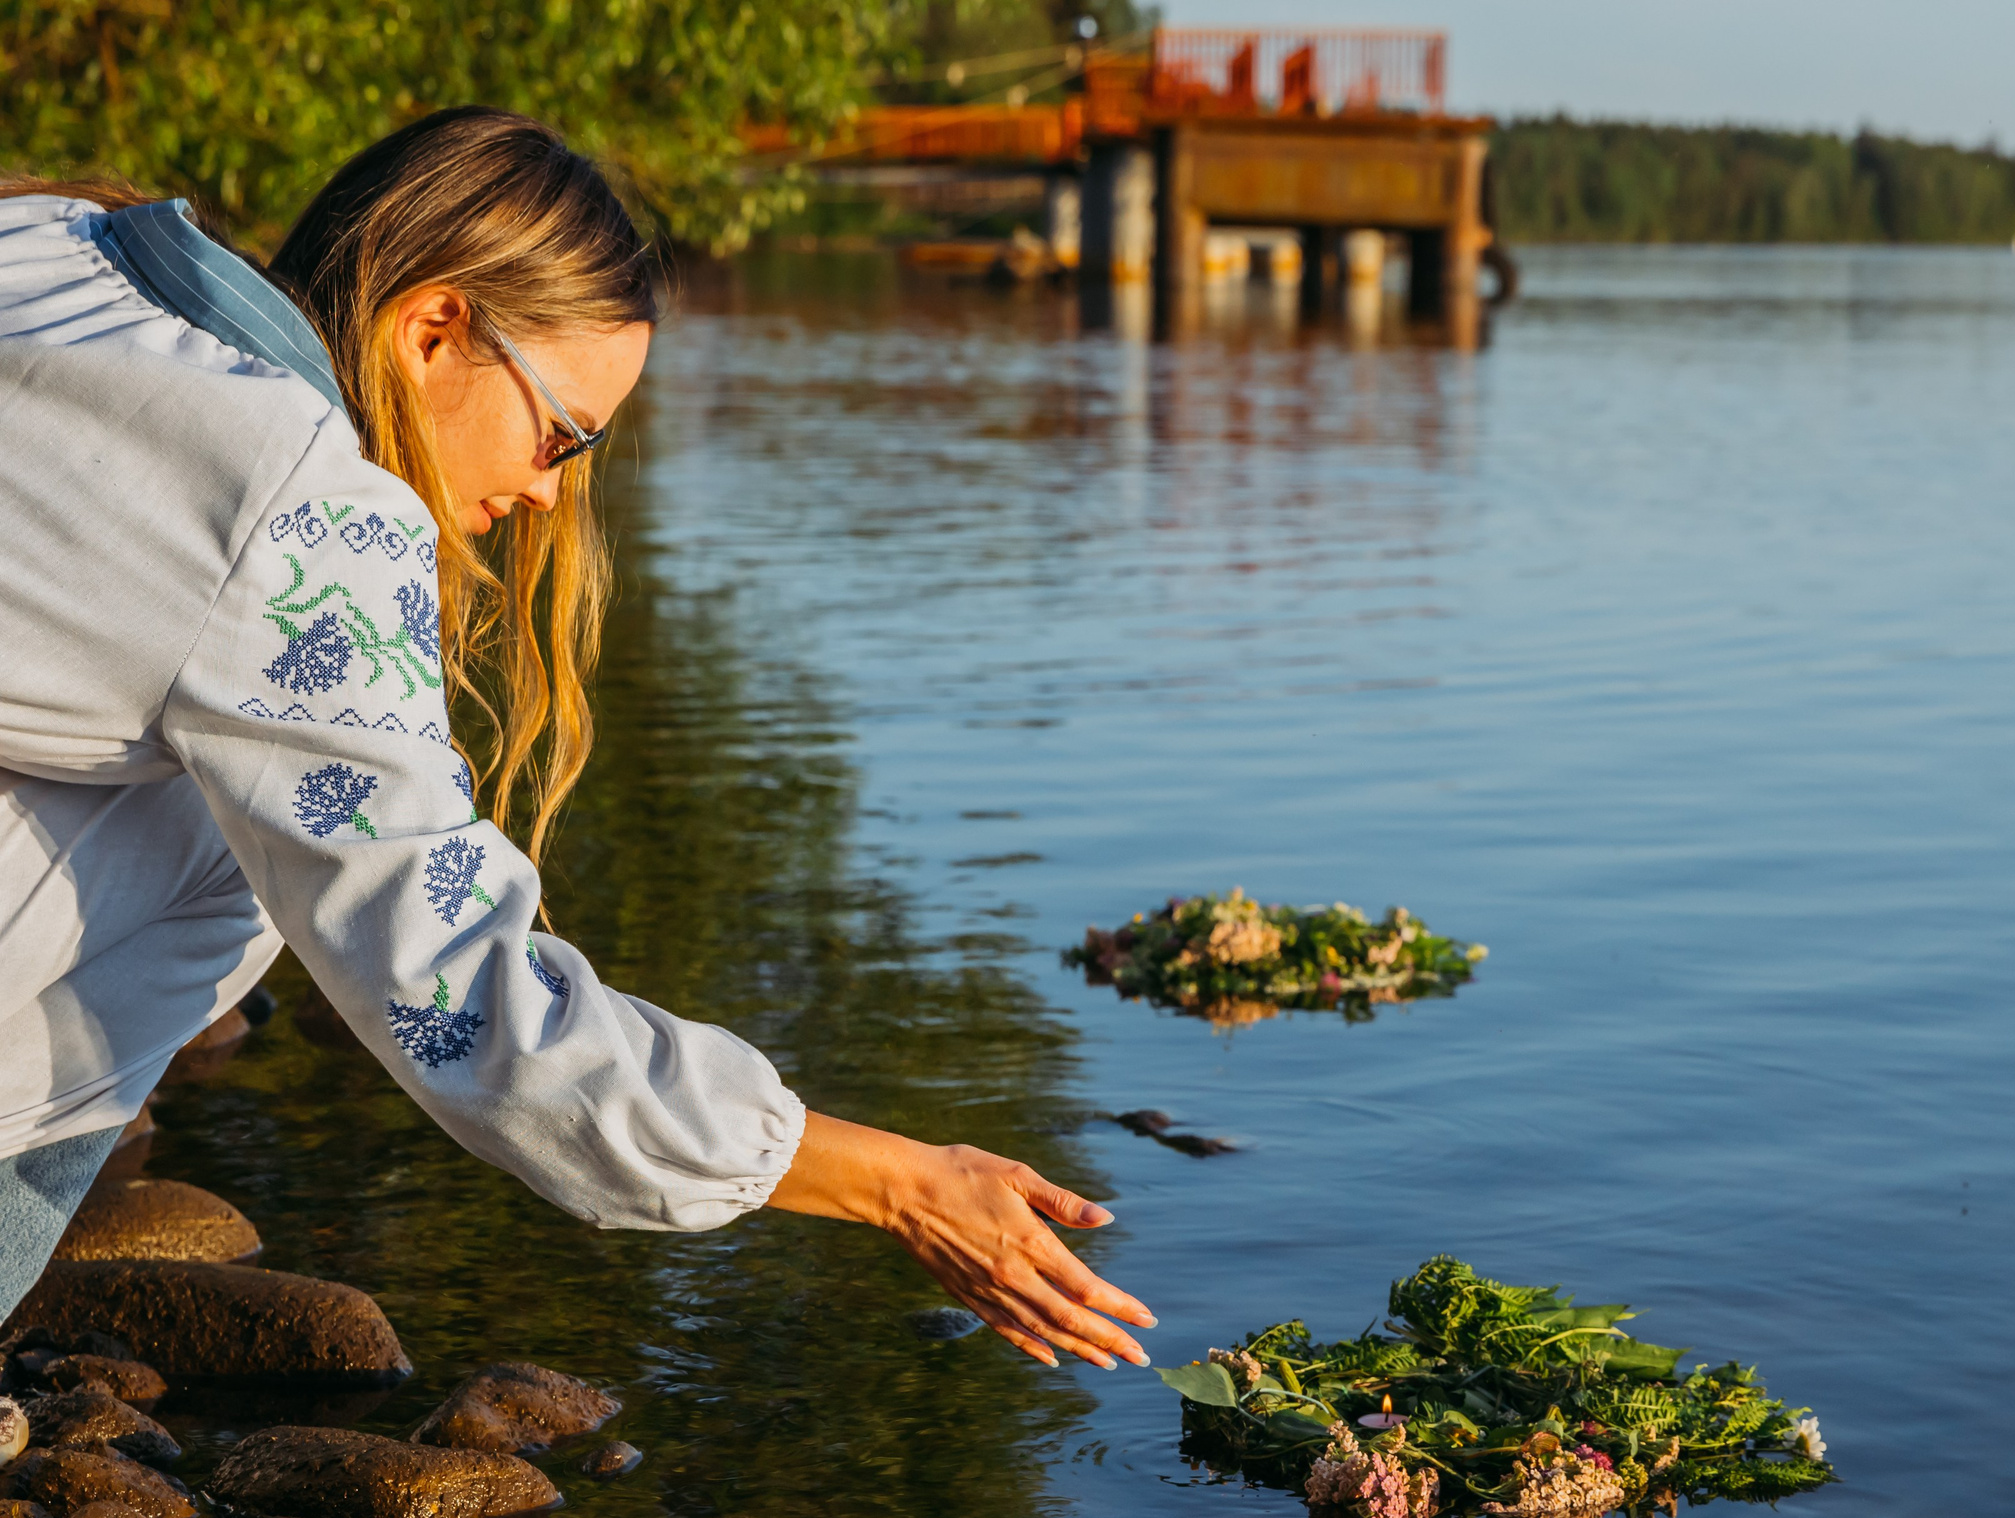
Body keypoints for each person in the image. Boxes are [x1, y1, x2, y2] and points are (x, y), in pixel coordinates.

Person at [0, 108, 1153, 1371]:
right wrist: (898, 1183)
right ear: (434, 327)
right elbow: (466, 1001)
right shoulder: (305, 515)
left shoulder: (61, 252)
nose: (551, 490)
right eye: (564, 434)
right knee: (257, 856)